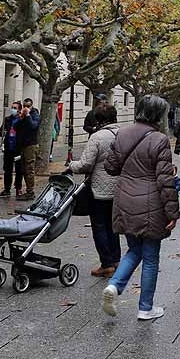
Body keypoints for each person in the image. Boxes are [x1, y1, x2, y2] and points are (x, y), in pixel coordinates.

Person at [101, 95, 179, 321]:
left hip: (124, 197)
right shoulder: (160, 139)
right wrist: (172, 212)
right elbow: (165, 181)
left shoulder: (122, 133)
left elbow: (110, 167)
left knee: (134, 249)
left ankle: (114, 286)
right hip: (151, 201)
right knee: (151, 256)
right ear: (158, 115)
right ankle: (146, 307)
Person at [70, 103, 121, 277]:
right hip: (120, 188)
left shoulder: (97, 137)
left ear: (98, 120)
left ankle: (106, 263)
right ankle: (116, 260)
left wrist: (71, 165)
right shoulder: (124, 134)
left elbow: (85, 164)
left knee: (99, 225)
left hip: (99, 188)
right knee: (112, 225)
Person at [15, 98, 42, 200]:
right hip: (22, 145)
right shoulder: (22, 115)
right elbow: (16, 127)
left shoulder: (35, 115)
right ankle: (25, 190)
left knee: (29, 168)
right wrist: (21, 118)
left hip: (30, 145)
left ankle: (30, 191)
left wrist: (28, 115)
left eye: (28, 106)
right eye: (24, 106)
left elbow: (33, 126)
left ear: (31, 106)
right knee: (23, 169)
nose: (26, 108)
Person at [0, 102, 22, 198]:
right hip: (8, 147)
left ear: (19, 110)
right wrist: (3, 132)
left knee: (19, 170)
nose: (13, 109)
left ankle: (18, 188)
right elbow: (1, 131)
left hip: (18, 147)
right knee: (7, 169)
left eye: (15, 108)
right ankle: (7, 188)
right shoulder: (7, 119)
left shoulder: (21, 119)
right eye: (12, 107)